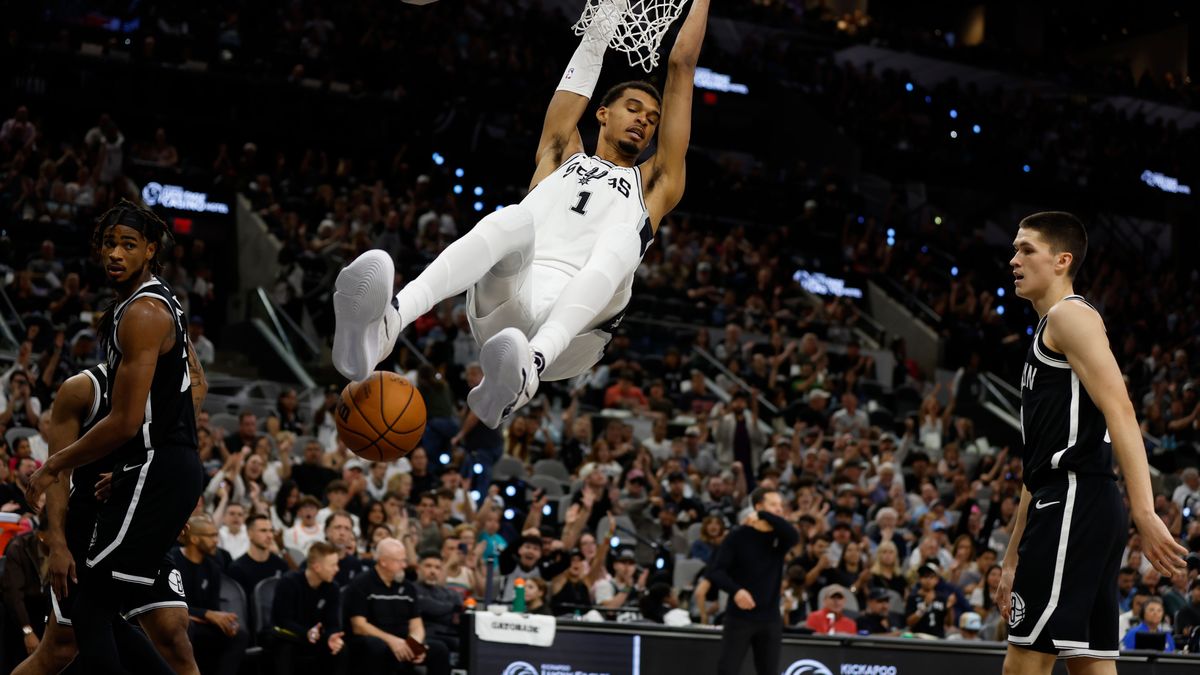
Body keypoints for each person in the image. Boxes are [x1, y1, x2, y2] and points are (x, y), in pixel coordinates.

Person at [330, 0, 712, 432]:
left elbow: (682, 63)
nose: (644, 120)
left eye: (652, 118)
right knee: (512, 219)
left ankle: (530, 365)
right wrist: (611, 8)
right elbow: (590, 50)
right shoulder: (559, 153)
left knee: (624, 240)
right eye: (634, 108)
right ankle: (387, 323)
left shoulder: (655, 185)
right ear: (602, 114)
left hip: (575, 338)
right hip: (505, 308)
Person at [996, 212, 1187, 672]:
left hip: (1074, 499)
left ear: (1062, 260)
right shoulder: (1049, 329)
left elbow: (1121, 409)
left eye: (1026, 249)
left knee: (1024, 661)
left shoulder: (1069, 316)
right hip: (1072, 501)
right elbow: (1036, 465)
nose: (1013, 259)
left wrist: (1146, 511)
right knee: (1090, 663)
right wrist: (1010, 557)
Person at [28, 200, 208, 675]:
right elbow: (187, 391)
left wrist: (54, 463)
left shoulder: (144, 313)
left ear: (150, 250)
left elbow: (128, 421)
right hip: (151, 470)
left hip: (159, 466)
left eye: (128, 244)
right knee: (93, 616)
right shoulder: (144, 308)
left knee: (93, 610)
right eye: (109, 243)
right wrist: (133, 475)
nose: (115, 253)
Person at [15, 364, 199, 675]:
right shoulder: (81, 390)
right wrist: (58, 544)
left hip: (143, 525)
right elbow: (58, 474)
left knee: (174, 636)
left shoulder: (170, 387)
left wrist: (173, 506)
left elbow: (174, 458)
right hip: (89, 525)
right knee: (62, 646)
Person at [706, 487, 800, 675]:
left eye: (781, 505)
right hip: (740, 617)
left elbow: (793, 535)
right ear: (757, 506)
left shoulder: (779, 538)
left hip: (770, 618)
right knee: (727, 670)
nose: (779, 509)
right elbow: (715, 571)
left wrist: (765, 514)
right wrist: (736, 591)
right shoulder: (737, 536)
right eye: (773, 505)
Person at [345, 538, 449, 675]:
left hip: (403, 641)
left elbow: (416, 624)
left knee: (439, 649)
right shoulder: (362, 583)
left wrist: (414, 645)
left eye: (404, 560)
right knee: (378, 647)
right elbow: (359, 626)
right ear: (383, 562)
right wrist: (391, 641)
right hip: (375, 640)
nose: (404, 565)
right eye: (399, 561)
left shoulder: (408, 587)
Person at [169, 516, 250, 675]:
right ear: (194, 538)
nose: (216, 541)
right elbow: (172, 606)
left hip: (200, 623)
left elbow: (213, 608)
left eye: (216, 535)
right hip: (176, 622)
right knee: (187, 628)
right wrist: (208, 614)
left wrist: (224, 620)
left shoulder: (213, 567)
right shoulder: (173, 560)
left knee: (239, 635)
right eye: (211, 536)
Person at [270, 541, 345, 675]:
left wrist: (332, 637)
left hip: (315, 637)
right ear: (317, 567)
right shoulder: (288, 582)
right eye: (333, 565)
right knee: (285, 648)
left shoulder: (332, 587)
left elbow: (333, 623)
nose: (337, 569)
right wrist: (307, 633)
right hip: (288, 636)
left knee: (340, 648)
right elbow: (283, 620)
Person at [227, 513, 289, 600]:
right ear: (249, 533)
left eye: (271, 531)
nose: (269, 536)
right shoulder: (237, 569)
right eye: (263, 531)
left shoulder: (281, 565)